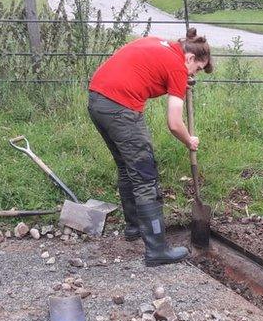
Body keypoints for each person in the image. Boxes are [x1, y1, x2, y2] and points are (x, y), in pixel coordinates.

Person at [87, 28, 213, 266]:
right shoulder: (177, 67)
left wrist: (180, 80)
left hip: (97, 100)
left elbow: (146, 69)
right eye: (196, 69)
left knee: (126, 167)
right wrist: (189, 140)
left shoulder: (158, 43)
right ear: (189, 58)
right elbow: (175, 124)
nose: (192, 74)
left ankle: (135, 228)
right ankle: (157, 249)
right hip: (120, 108)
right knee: (145, 175)